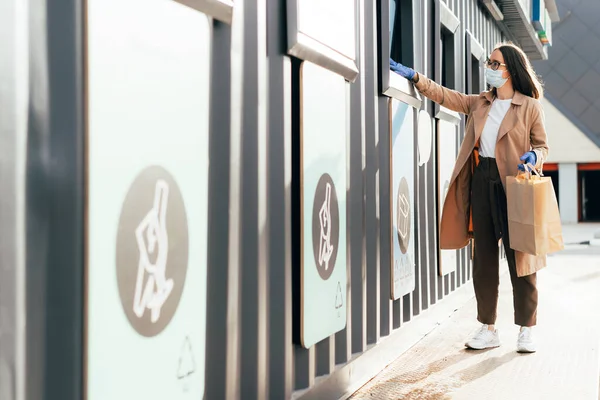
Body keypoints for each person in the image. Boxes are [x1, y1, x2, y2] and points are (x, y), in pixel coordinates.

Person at [390, 42, 548, 353]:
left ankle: (526, 329)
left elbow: (543, 146)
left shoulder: (530, 106)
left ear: (510, 69)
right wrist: (415, 77)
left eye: (495, 63)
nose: (489, 68)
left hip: (515, 184)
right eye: (488, 62)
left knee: (522, 259)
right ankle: (488, 328)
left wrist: (534, 156)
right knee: (483, 259)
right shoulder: (480, 103)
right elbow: (446, 96)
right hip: (482, 181)